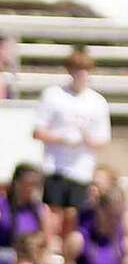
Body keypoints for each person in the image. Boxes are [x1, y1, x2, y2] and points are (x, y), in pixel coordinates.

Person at [33, 48, 111, 229]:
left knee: (74, 214)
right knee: (53, 212)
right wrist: (63, 138)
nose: (81, 74)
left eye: (85, 70)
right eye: (77, 69)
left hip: (81, 168)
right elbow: (38, 132)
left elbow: (103, 139)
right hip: (56, 165)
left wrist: (85, 138)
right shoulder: (53, 95)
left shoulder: (97, 101)